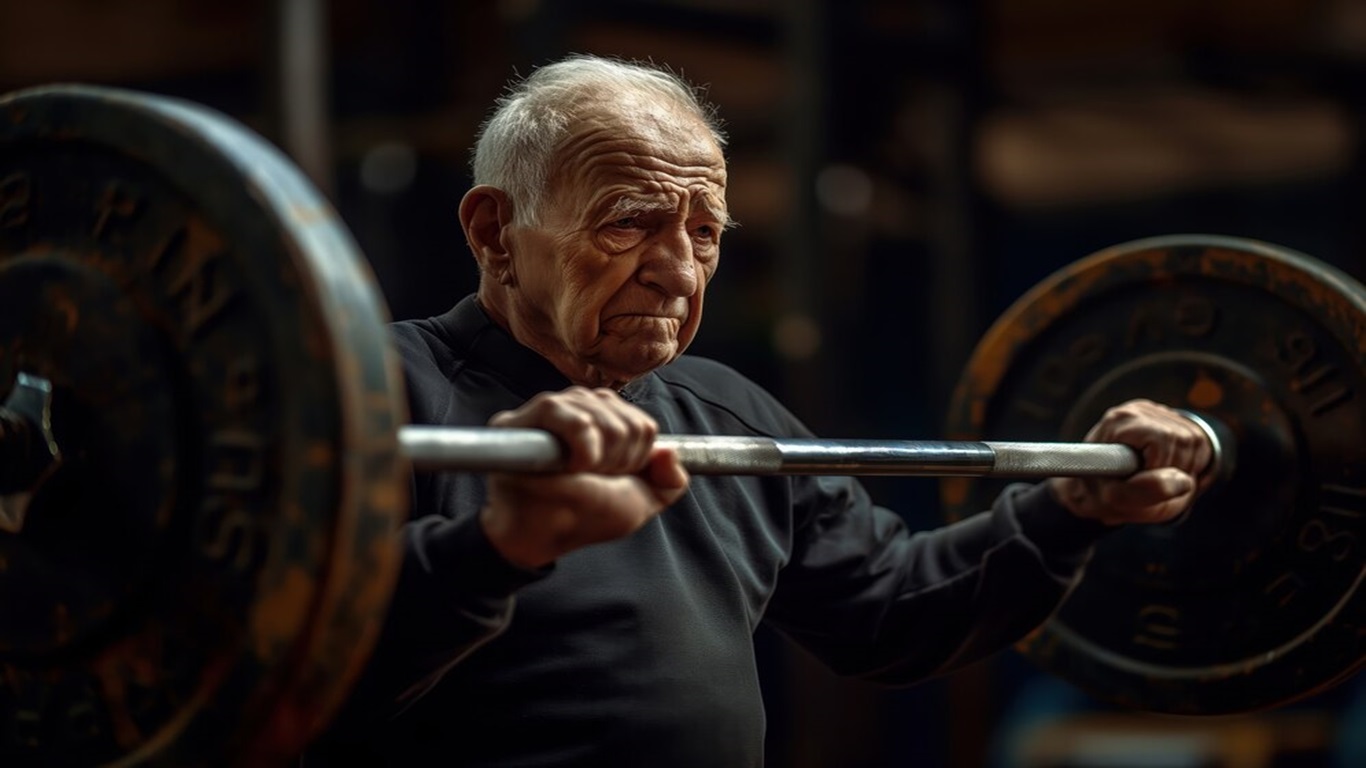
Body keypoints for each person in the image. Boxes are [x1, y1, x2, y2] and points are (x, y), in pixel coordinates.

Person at [303, 54, 1210, 767]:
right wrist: (502, 544)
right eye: (629, 221)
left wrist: (1070, 510)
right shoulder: (375, 397)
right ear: (495, 232)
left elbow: (889, 612)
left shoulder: (723, 412)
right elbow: (300, 679)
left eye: (704, 233)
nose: (679, 270)